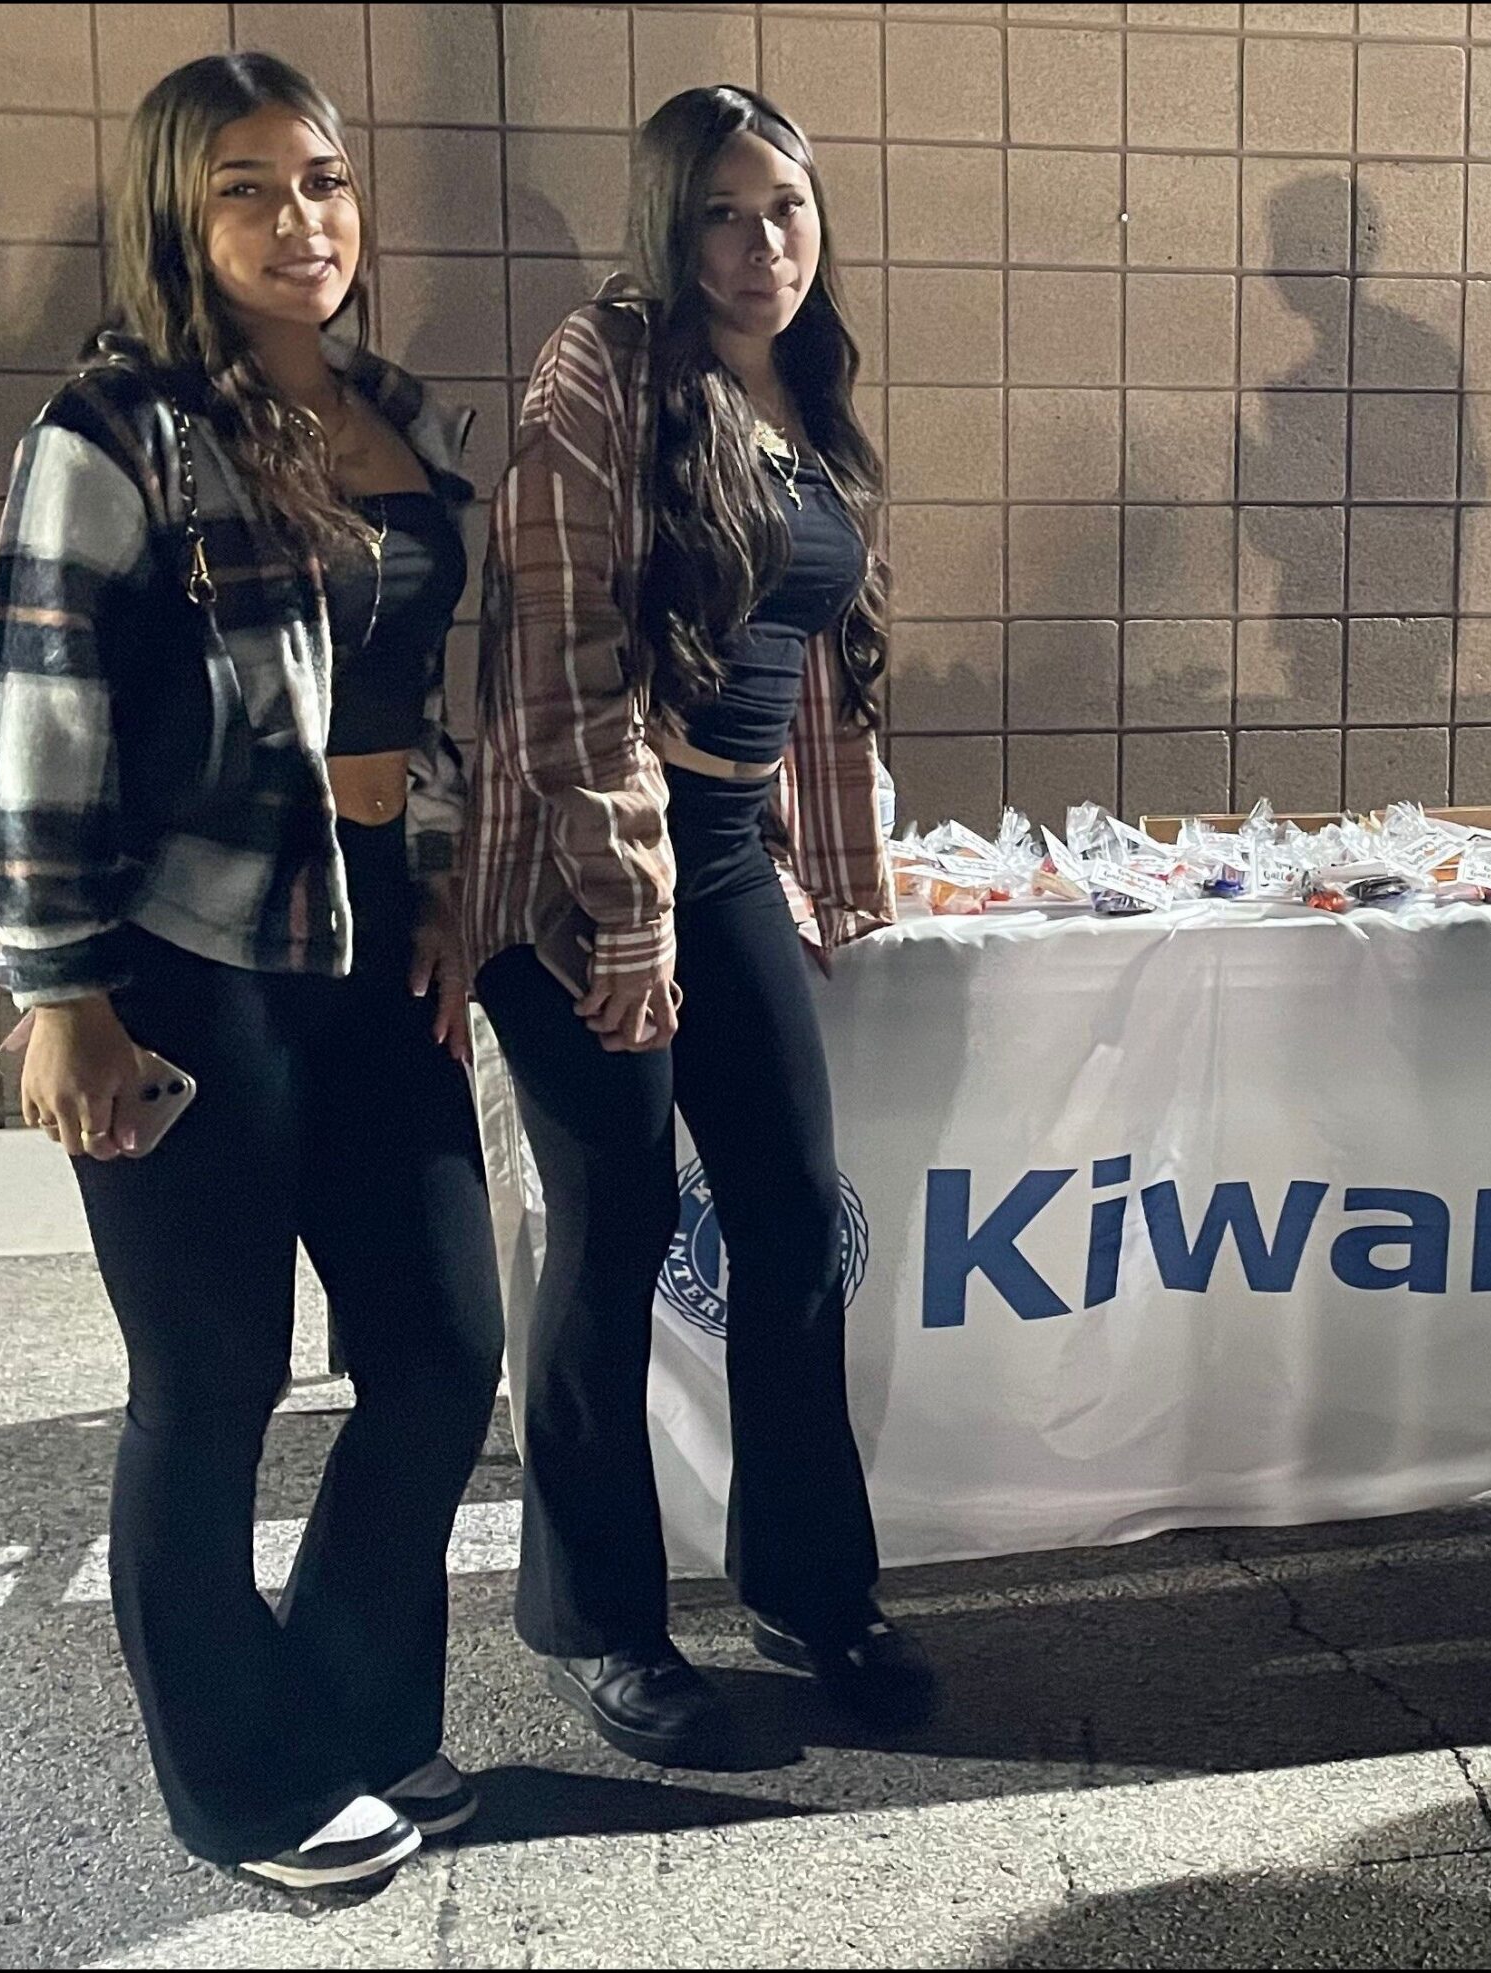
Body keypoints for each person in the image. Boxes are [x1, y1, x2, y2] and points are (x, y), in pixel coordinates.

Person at [0, 53, 503, 1884]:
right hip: (188, 960)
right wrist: (63, 991)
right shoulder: (114, 435)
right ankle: (242, 1787)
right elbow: (35, 719)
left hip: (371, 937)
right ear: (177, 217)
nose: (301, 221)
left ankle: (350, 1714)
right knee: (210, 1385)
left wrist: (438, 877)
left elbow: (413, 699)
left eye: (325, 181)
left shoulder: (404, 420)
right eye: (248, 189)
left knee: (441, 1348)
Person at [465, 84, 934, 1763]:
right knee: (613, 1229)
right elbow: (561, 659)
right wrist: (628, 912)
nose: (762, 245)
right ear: (671, 224)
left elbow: (811, 672)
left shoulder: (805, 389)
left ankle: (810, 1584)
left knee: (793, 1224)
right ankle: (599, 1619)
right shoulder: (601, 366)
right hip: (577, 857)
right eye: (724, 214)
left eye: (787, 209)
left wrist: (835, 866)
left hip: (725, 848)